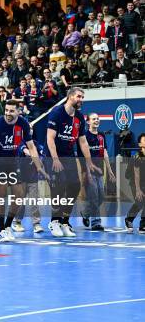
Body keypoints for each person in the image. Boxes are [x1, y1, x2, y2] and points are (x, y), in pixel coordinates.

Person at [0, 100, 47, 242]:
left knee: (19, 194)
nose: (8, 113)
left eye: (11, 111)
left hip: (13, 162)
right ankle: (1, 229)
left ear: (18, 111)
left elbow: (31, 147)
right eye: (6, 110)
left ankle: (7, 226)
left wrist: (39, 167)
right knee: (1, 196)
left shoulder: (23, 124)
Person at [46, 87, 100, 237]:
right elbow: (50, 137)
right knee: (58, 188)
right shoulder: (57, 112)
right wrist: (55, 159)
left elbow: (83, 142)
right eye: (78, 96)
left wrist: (89, 163)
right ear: (70, 97)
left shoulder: (79, 118)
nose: (81, 99)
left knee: (75, 186)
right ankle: (54, 221)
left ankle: (64, 221)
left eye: (83, 97)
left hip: (69, 156)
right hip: (53, 155)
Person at [78, 113, 115, 231]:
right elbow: (83, 156)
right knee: (93, 195)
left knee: (101, 196)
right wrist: (87, 173)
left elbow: (104, 152)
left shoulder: (101, 135)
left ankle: (85, 213)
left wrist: (109, 171)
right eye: (94, 119)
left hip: (100, 171)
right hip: (88, 171)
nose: (96, 120)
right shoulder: (84, 136)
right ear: (88, 122)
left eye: (97, 119)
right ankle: (96, 222)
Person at [125, 133, 145, 234]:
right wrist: (138, 190)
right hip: (135, 183)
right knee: (140, 202)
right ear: (140, 144)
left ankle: (143, 225)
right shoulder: (137, 157)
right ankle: (129, 219)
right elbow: (135, 175)